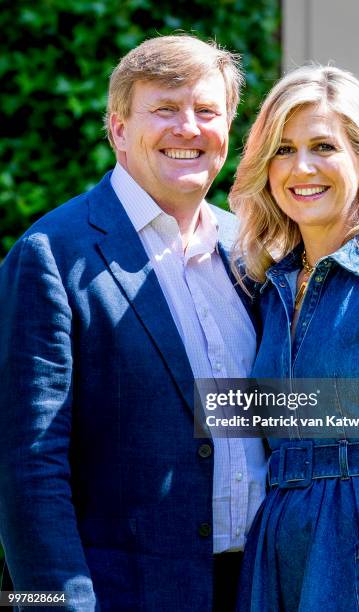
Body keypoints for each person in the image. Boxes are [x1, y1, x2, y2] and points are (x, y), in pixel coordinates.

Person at [0, 35, 268, 611]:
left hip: (261, 586)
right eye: (165, 109)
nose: (188, 128)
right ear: (118, 129)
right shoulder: (52, 255)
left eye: (206, 111)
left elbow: (263, 405)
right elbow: (28, 469)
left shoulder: (250, 251)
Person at [230, 65, 359, 611]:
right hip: (277, 549)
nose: (300, 167)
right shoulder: (266, 287)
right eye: (282, 149)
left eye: (323, 146)